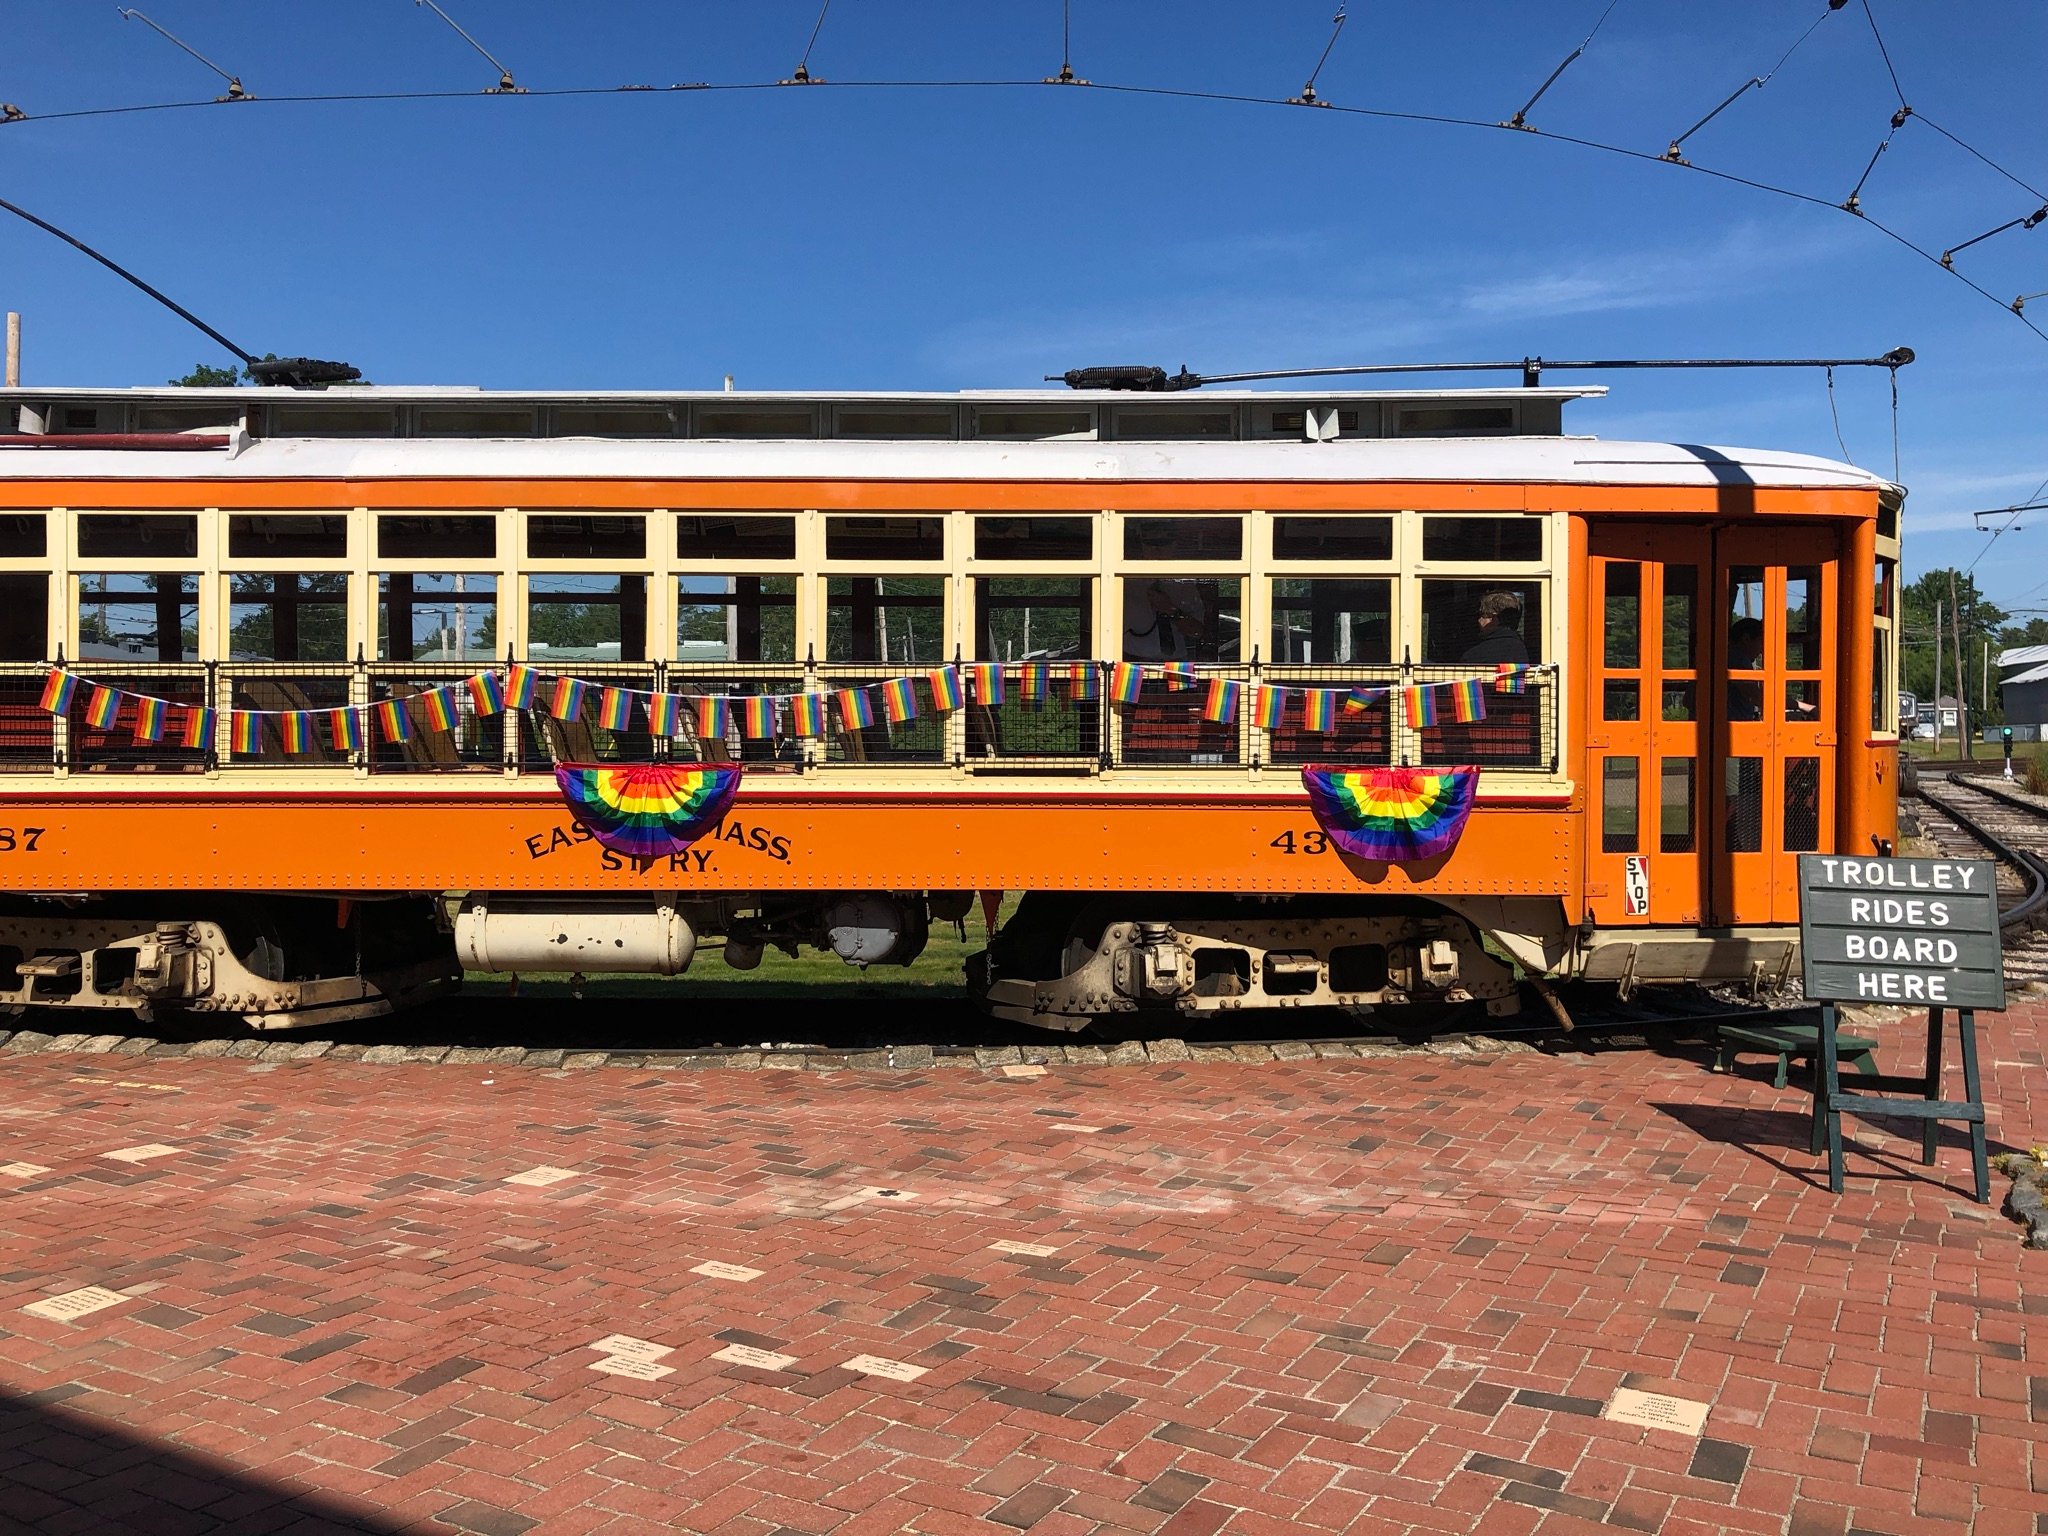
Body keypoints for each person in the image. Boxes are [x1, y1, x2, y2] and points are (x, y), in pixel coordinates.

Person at [1123, 533, 1208, 661]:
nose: (1156, 550)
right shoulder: (1125, 582)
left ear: (1173, 547)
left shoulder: (1184, 584)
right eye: (1150, 544)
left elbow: (1197, 631)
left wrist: (1169, 609)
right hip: (1132, 661)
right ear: (1142, 547)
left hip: (1176, 662)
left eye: (1163, 544)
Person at [1458, 590, 1529, 665]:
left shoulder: (1475, 655)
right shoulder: (1523, 649)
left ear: (1495, 619)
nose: (1479, 620)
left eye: (1482, 615)